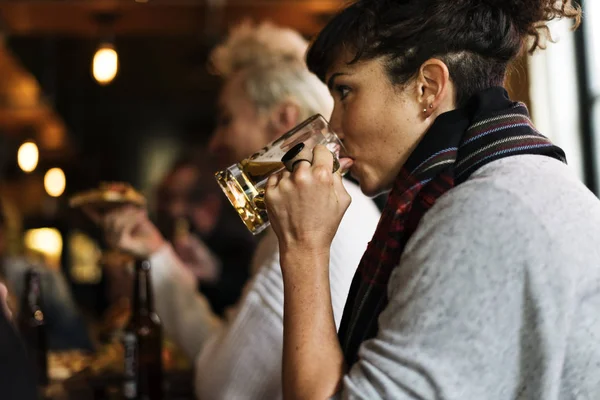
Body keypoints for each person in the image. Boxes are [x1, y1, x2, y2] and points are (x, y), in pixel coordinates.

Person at [264, 1, 600, 399]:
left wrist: (304, 247)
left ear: (428, 87)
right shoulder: (512, 178)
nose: (333, 126)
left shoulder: (484, 214)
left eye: (344, 91)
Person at [96, 21, 381, 399]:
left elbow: (221, 386)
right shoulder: (325, 210)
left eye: (227, 119)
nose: (215, 141)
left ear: (283, 118)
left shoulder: (323, 221)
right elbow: (224, 358)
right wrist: (157, 254)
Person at [154, 152, 257, 316]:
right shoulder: (165, 232)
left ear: (211, 203)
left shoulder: (240, 245)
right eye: (169, 198)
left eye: (189, 199)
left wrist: (214, 274)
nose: (175, 210)